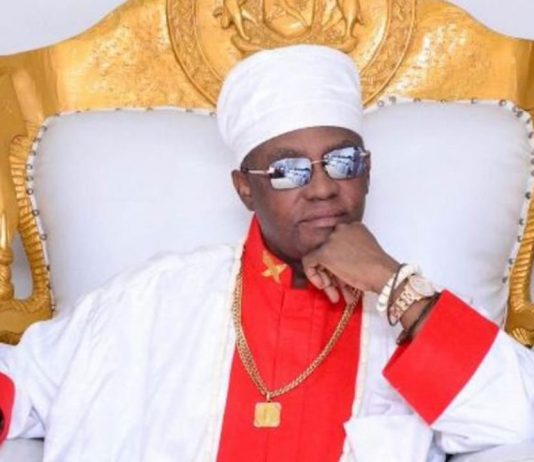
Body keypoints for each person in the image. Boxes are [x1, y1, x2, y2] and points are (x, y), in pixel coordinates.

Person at [0, 45, 533, 462]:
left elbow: (518, 416)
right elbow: (20, 388)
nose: (322, 188)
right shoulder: (148, 301)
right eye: (287, 170)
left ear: (368, 171)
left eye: (343, 161)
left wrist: (391, 282)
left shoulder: (419, 313)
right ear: (245, 190)